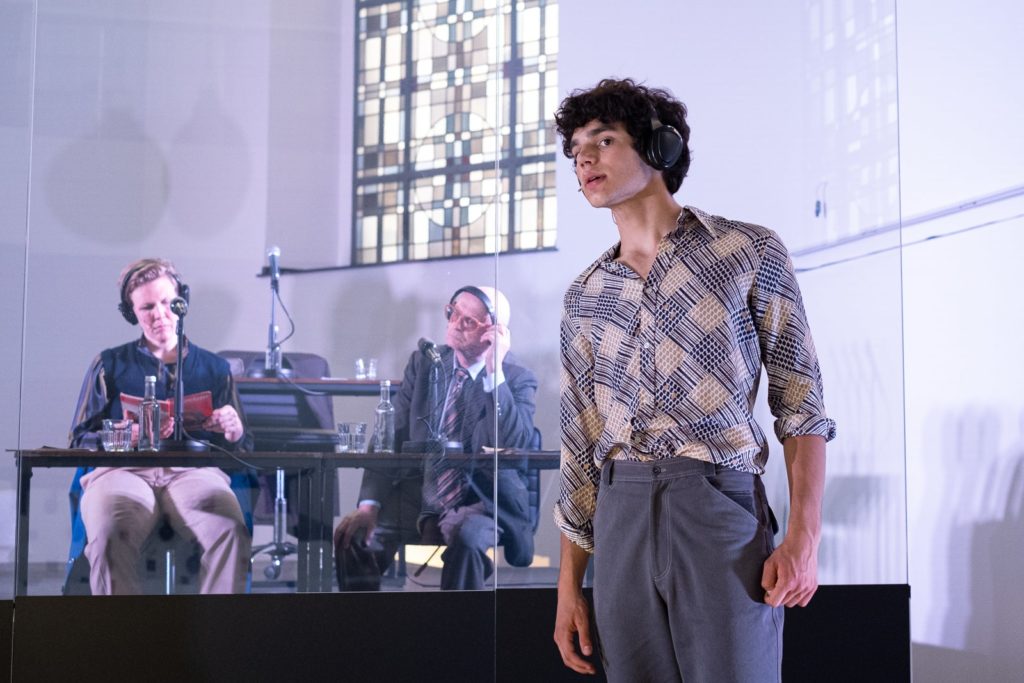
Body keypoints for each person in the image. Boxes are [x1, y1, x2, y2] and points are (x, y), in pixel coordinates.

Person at [551, 78, 837, 681]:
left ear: (660, 148)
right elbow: (580, 445)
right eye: (576, 149)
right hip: (620, 513)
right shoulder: (586, 294)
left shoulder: (748, 251)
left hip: (716, 503)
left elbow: (801, 403)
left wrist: (805, 539)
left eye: (603, 140)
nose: (584, 159)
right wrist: (568, 588)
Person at [334, 285, 539, 591]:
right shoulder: (426, 363)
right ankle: (363, 618)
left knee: (467, 539)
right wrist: (369, 506)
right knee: (353, 536)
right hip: (422, 493)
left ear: (494, 332)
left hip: (484, 497)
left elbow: (514, 440)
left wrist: (494, 372)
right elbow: (389, 434)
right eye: (452, 313)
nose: (455, 324)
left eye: (468, 321)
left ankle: (456, 619)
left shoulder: (517, 378)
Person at [67, 258, 252, 595]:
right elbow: (78, 437)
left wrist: (234, 430)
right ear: (131, 313)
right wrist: (122, 435)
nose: (160, 315)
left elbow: (243, 446)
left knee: (230, 532)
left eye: (167, 303)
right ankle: (124, 628)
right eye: (147, 307)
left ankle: (219, 626)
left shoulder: (214, 368)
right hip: (122, 471)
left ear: (182, 301)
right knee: (110, 534)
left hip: (194, 471)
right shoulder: (109, 364)